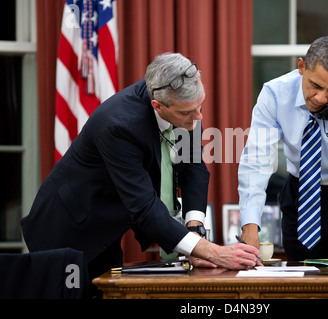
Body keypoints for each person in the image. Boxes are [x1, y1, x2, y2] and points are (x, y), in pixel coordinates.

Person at [21, 53, 262, 294]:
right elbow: (144, 207)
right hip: (66, 232)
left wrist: (195, 230)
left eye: (200, 107)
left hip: (108, 231)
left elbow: (193, 168)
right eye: (188, 113)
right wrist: (214, 252)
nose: (197, 118)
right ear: (157, 105)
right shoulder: (118, 125)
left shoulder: (182, 107)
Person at [238, 36, 328, 269]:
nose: (321, 98)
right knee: (301, 285)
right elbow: (256, 163)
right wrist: (250, 227)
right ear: (301, 67)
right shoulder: (275, 94)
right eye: (316, 86)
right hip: (301, 200)